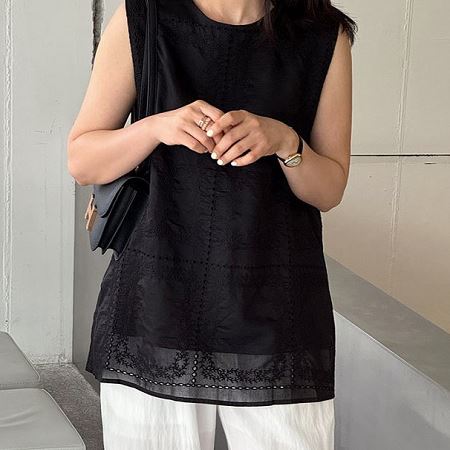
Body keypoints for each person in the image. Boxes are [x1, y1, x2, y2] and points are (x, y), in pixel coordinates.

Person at [67, 0, 355, 448]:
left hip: (277, 311)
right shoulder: (144, 16)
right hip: (157, 302)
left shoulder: (321, 34)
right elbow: (82, 160)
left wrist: (285, 141)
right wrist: (156, 127)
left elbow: (329, 189)